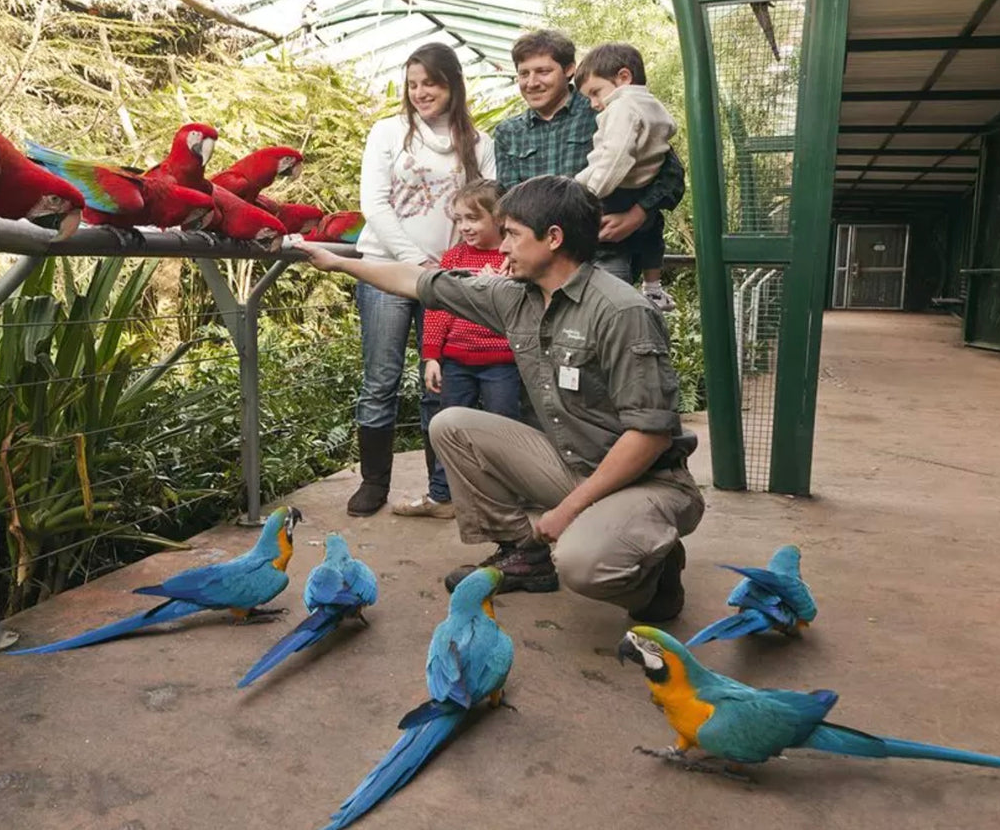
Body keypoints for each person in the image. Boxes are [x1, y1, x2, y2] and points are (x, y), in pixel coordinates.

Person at [295, 175, 704, 623]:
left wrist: (567, 512)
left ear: (553, 238)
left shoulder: (621, 312)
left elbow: (648, 437)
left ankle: (656, 576)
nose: (502, 246)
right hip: (576, 464)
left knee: (583, 564)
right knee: (451, 425)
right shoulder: (516, 299)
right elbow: (417, 281)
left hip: (648, 482)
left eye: (511, 233)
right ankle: (524, 554)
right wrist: (334, 262)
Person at [346, 42, 497, 518]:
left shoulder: (479, 143)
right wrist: (419, 263)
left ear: (451, 84)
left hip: (450, 279)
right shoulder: (388, 132)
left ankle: (443, 487)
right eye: (413, 84)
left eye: (430, 83)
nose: (420, 93)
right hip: (387, 270)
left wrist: (450, 268)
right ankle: (374, 482)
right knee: (381, 378)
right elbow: (375, 204)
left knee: (441, 380)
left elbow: (491, 208)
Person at [492, 29, 684, 311]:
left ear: (569, 69)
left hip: (604, 254)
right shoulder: (509, 132)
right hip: (540, 263)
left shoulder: (607, 106)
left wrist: (637, 214)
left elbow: (671, 173)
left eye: (543, 71)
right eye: (524, 73)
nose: (531, 82)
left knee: (609, 334)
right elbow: (508, 200)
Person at [405, 179, 523, 516]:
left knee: (503, 427)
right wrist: (431, 356)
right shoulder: (454, 257)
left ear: (499, 218)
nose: (464, 227)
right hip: (457, 361)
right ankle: (443, 496)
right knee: (448, 429)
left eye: (472, 218)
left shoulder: (513, 258)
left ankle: (504, 496)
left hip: (502, 361)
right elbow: (439, 308)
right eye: (459, 219)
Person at [573, 42, 679, 313]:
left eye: (596, 93)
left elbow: (614, 159)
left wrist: (587, 192)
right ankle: (653, 289)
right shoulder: (652, 106)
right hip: (635, 192)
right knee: (653, 235)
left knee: (612, 310)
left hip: (614, 198)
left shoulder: (622, 108)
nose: (595, 104)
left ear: (623, 77)